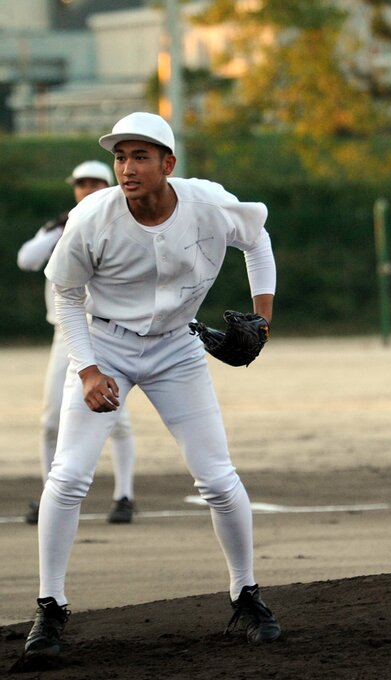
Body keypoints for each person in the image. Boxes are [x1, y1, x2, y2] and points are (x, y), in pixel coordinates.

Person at [23, 111, 281, 659]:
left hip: (177, 348)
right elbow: (66, 295)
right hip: (107, 344)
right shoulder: (94, 215)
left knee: (217, 476)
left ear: (168, 163)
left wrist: (263, 317)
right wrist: (89, 369)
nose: (126, 167)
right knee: (68, 475)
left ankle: (246, 594)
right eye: (120, 156)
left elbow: (257, 241)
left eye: (139, 156)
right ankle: (50, 607)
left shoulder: (207, 203)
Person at [17, 161, 137, 525]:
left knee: (117, 417)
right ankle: (49, 495)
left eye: (94, 182)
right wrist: (62, 229)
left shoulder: (123, 219)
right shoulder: (61, 225)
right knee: (51, 419)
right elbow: (26, 259)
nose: (87, 188)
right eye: (81, 184)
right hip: (66, 332)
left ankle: (124, 495)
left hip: (105, 331)